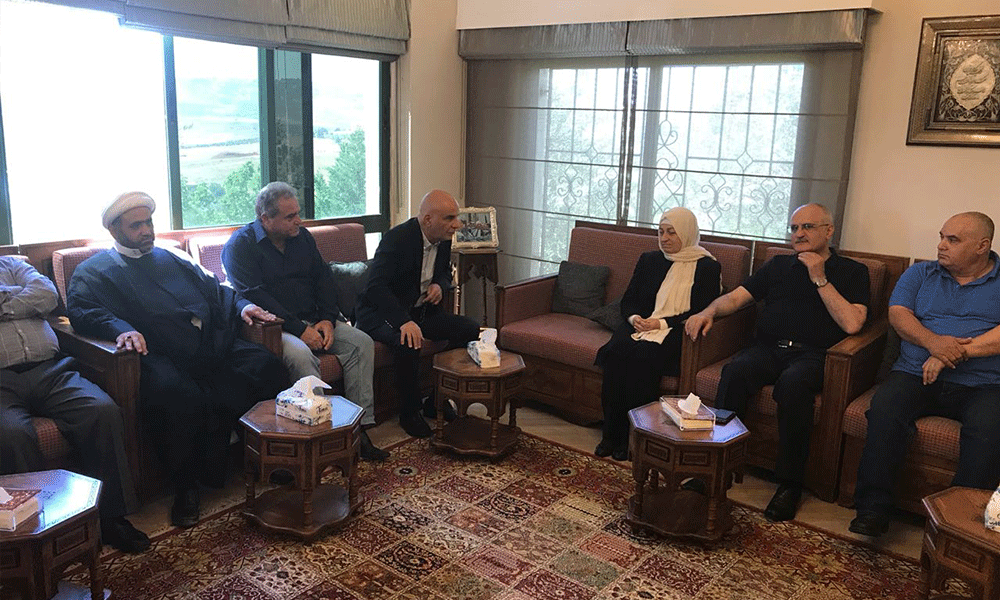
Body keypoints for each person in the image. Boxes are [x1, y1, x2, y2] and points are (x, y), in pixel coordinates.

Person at [67, 192, 289, 529]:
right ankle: (186, 486)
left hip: (212, 344)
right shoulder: (94, 272)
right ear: (114, 230)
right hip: (161, 353)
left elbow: (216, 288)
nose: (146, 230)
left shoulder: (171, 256)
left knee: (266, 365)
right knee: (177, 395)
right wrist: (121, 328)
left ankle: (267, 457)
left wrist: (243, 305)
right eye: (136, 226)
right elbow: (82, 312)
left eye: (149, 222)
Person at [685, 203, 870, 522]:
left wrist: (820, 278)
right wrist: (708, 311)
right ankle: (716, 468)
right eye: (794, 228)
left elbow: (853, 324)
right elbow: (736, 298)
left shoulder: (853, 271)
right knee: (735, 371)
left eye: (807, 227)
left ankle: (789, 485)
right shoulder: (778, 265)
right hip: (769, 348)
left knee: (793, 385)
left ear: (829, 231)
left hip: (814, 355)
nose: (798, 234)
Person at [850, 211, 1000, 537]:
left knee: (989, 431)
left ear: (982, 246)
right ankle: (872, 509)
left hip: (983, 384)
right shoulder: (920, 273)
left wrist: (950, 354)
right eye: (941, 237)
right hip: (914, 373)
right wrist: (934, 342)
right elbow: (898, 314)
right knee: (885, 410)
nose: (941, 245)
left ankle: (957, 526)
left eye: (952, 240)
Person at [223, 182, 388, 461]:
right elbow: (256, 296)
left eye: (298, 213)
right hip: (276, 328)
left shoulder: (303, 238)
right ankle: (321, 435)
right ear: (265, 219)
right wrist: (300, 330)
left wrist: (327, 318)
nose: (298, 220)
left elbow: (323, 278)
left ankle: (358, 430)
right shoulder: (240, 247)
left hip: (314, 318)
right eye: (290, 216)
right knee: (301, 356)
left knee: (361, 343)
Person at [0, 256, 150, 553]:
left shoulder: (12, 265)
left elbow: (47, 294)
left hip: (50, 370)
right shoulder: (16, 277)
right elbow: (36, 298)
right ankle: (33, 533)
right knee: (11, 435)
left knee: (102, 411)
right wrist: (20, 296)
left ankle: (111, 518)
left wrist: (3, 304)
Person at [594, 207, 721, 461]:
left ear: (686, 232)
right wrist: (634, 318)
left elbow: (699, 310)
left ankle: (634, 438)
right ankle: (611, 434)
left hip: (675, 329)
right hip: (639, 324)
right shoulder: (649, 260)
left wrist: (660, 323)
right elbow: (629, 300)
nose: (664, 238)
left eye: (671, 232)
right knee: (615, 354)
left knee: (643, 358)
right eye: (661, 232)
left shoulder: (707, 266)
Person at [355, 190, 481, 438]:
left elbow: (444, 273)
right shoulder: (397, 239)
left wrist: (439, 285)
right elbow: (376, 287)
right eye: (449, 218)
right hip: (381, 313)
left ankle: (437, 399)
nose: (457, 224)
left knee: (469, 328)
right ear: (428, 220)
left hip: (421, 310)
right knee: (409, 340)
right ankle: (410, 412)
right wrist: (403, 321)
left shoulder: (444, 238)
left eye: (456, 217)